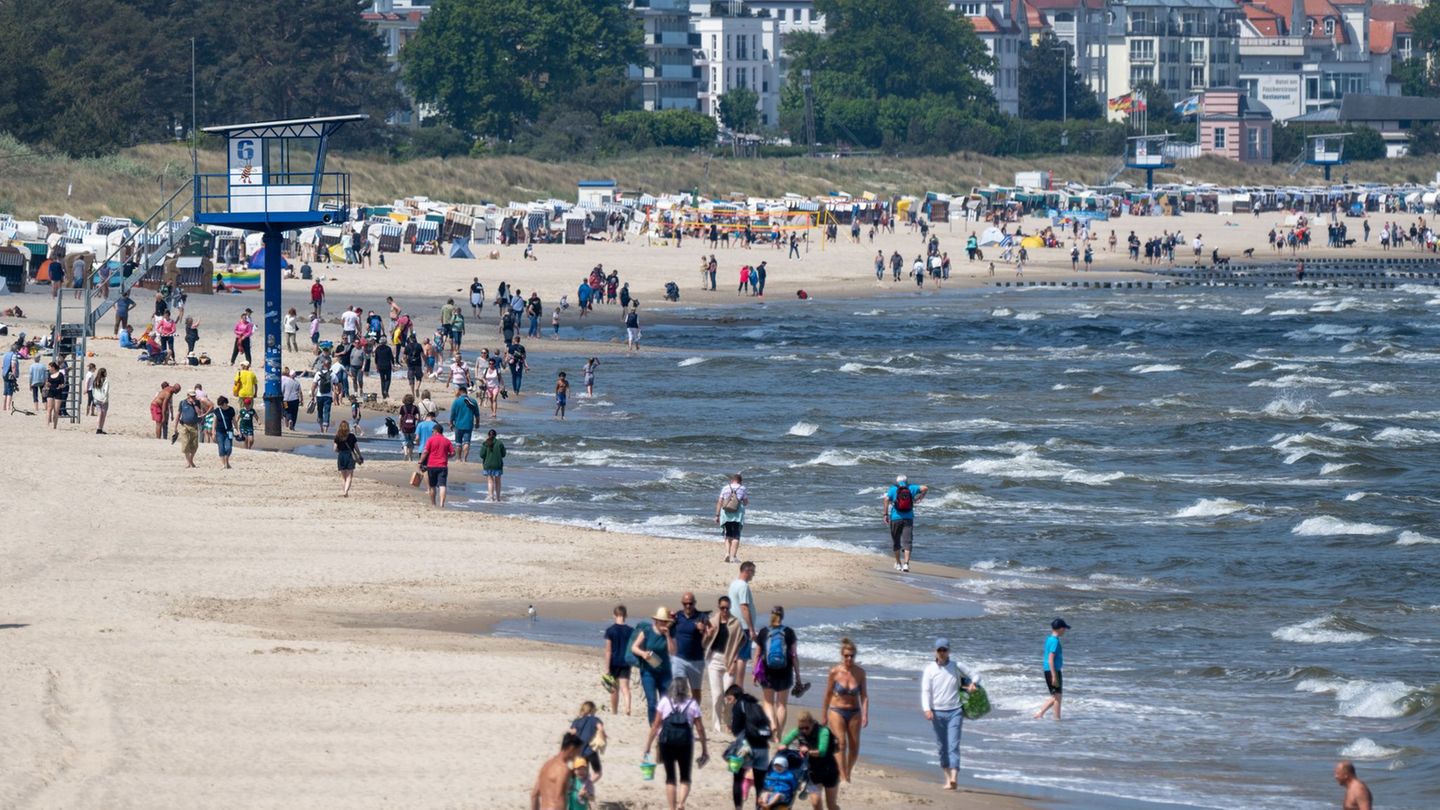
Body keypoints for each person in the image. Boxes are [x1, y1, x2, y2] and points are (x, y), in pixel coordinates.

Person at [921, 637, 977, 790]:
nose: (942, 653)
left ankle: (954, 778)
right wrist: (927, 709)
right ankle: (947, 779)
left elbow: (975, 675)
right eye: (939, 650)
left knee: (953, 745)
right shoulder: (930, 669)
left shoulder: (956, 666)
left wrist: (973, 684)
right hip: (937, 712)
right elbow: (926, 691)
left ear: (949, 651)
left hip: (955, 711)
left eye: (945, 650)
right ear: (935, 651)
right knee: (942, 746)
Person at [642, 680, 707, 810]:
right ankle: (681, 803)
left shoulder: (665, 702)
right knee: (685, 776)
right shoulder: (692, 704)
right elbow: (700, 728)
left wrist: (648, 746)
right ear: (686, 690)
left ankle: (672, 808)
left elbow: (655, 726)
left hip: (666, 742)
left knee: (670, 777)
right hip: (685, 743)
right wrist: (704, 749)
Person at [822, 637, 868, 783]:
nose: (849, 658)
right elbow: (828, 694)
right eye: (846, 655)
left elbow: (864, 696)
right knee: (841, 743)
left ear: (855, 656)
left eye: (851, 656)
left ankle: (847, 772)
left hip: (855, 712)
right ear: (842, 656)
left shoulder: (860, 673)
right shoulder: (834, 672)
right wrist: (824, 714)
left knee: (854, 748)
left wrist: (865, 714)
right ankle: (842, 776)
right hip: (836, 710)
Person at [753, 606, 801, 737]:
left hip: (767, 671)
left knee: (768, 702)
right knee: (782, 704)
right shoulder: (789, 632)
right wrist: (798, 676)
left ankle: (772, 724)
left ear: (771, 615)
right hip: (785, 671)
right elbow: (794, 656)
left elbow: (757, 654)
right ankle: (778, 735)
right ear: (783, 616)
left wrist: (754, 672)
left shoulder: (763, 632)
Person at [726, 685, 773, 810]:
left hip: (745, 747)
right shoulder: (756, 705)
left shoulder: (738, 705)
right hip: (763, 747)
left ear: (734, 695)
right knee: (760, 784)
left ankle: (738, 808)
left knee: (737, 779)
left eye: (728, 698)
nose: (728, 701)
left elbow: (736, 730)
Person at [630, 606, 677, 725]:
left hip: (665, 673)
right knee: (652, 702)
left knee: (666, 702)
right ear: (656, 621)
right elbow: (634, 647)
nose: (663, 623)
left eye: (665, 621)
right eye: (661, 621)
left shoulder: (670, 634)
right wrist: (643, 653)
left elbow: (673, 651)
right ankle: (654, 728)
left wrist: (667, 636)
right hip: (648, 672)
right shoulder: (647, 631)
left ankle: (665, 727)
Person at [702, 595, 742, 735]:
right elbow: (704, 643)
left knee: (728, 695)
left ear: (730, 608)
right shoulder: (712, 621)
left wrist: (735, 663)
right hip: (714, 660)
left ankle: (728, 720)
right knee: (717, 695)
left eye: (727, 608)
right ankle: (717, 726)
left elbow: (739, 644)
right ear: (718, 607)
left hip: (729, 660)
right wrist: (708, 634)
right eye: (722, 608)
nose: (725, 610)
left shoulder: (735, 623)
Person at [784, 711, 839, 809]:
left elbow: (822, 751)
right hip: (813, 773)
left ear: (812, 724)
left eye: (806, 728)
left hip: (830, 771)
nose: (804, 730)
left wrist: (807, 751)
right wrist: (782, 749)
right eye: (801, 728)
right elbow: (783, 743)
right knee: (815, 802)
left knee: (831, 805)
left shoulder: (823, 732)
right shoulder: (797, 731)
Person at [884, 474, 928, 572]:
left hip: (895, 518)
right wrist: (920, 497)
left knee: (896, 541)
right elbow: (925, 488)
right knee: (907, 542)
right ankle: (906, 564)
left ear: (897, 481)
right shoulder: (911, 488)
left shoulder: (893, 489)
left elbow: (886, 499)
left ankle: (898, 563)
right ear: (906, 481)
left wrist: (885, 514)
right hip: (908, 518)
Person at [671, 592, 710, 698]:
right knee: (679, 689)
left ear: (695, 603)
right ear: (682, 603)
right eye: (685, 603)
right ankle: (680, 713)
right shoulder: (677, 616)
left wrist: (703, 629)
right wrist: (669, 619)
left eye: (690, 603)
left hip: (696, 660)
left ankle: (694, 714)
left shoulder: (701, 616)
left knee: (696, 692)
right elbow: (665, 627)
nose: (688, 606)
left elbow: (710, 631)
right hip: (679, 659)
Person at [530, 733, 584, 810]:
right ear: (571, 748)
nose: (578, 755)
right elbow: (559, 798)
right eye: (578, 751)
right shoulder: (563, 769)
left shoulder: (546, 765)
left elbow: (534, 795)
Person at [728, 562, 757, 689]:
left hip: (733, 624)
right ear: (748, 571)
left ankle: (732, 684)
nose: (753, 575)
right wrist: (751, 629)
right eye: (753, 572)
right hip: (742, 626)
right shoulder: (743, 586)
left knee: (735, 655)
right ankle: (739, 686)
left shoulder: (733, 583)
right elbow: (744, 607)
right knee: (742, 657)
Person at [1034, 618, 1070, 720]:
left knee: (1057, 696)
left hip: (1049, 670)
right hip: (1052, 670)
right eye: (1064, 628)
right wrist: (1054, 676)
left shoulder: (1049, 639)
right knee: (1057, 696)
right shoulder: (1054, 641)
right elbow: (1050, 659)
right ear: (1060, 629)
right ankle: (1043, 714)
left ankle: (1055, 717)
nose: (1065, 631)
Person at [602, 605, 633, 716]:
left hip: (614, 662)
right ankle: (628, 707)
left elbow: (608, 651)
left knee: (614, 688)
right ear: (626, 615)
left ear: (614, 615)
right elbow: (632, 648)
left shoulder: (610, 630)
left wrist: (606, 668)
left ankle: (614, 711)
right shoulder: (631, 631)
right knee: (625, 688)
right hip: (626, 662)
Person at [567, 701, 606, 783]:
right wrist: (603, 736)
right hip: (591, 751)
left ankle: (576, 787)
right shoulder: (595, 719)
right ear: (592, 710)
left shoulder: (577, 721)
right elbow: (600, 728)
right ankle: (587, 785)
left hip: (578, 751)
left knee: (578, 772)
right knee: (597, 773)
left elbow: (572, 732)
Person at [716, 473, 749, 563]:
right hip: (737, 515)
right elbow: (745, 502)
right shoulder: (742, 488)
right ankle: (733, 556)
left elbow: (719, 502)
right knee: (736, 536)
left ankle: (727, 553)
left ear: (731, 480)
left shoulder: (725, 488)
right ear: (740, 481)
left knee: (728, 534)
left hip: (725, 514)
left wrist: (717, 515)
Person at [420, 423, 455, 507]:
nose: (431, 433)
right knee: (442, 485)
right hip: (442, 466)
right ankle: (442, 504)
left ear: (436, 431)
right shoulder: (447, 441)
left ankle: (433, 503)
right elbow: (453, 453)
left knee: (432, 486)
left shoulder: (430, 440)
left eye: (432, 431)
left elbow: (425, 452)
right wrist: (447, 456)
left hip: (431, 465)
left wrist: (421, 461)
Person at [174, 388, 207, 467]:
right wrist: (175, 427)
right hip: (185, 425)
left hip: (194, 426)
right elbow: (178, 414)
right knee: (185, 445)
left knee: (194, 445)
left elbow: (199, 413)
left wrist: (195, 405)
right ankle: (189, 463)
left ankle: (191, 461)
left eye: (194, 396)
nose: (193, 398)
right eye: (191, 396)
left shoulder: (197, 402)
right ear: (188, 396)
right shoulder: (182, 403)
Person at [449, 385, 479, 462]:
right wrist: (477, 424)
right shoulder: (473, 401)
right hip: (469, 425)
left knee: (458, 442)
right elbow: (477, 415)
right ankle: (465, 459)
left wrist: (451, 423)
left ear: (460, 391)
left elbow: (452, 414)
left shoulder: (456, 401)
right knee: (467, 442)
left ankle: (458, 458)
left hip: (458, 425)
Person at [479, 429, 506, 502]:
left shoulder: (485, 443)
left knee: (490, 481)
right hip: (497, 464)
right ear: (495, 435)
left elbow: (481, 455)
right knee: (498, 481)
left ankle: (491, 496)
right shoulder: (500, 443)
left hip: (488, 464)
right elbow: (503, 454)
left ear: (488, 435)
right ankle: (498, 498)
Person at [211, 395, 237, 469]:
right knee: (221, 447)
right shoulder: (217, 411)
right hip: (219, 431)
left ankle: (227, 462)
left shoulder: (231, 410)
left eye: (222, 404)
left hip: (229, 431)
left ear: (226, 403)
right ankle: (224, 464)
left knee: (229, 448)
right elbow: (214, 422)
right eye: (220, 405)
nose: (221, 406)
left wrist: (238, 430)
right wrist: (213, 432)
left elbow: (234, 421)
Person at [334, 420, 359, 496]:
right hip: (350, 456)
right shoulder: (352, 436)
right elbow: (356, 448)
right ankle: (346, 491)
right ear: (348, 427)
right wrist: (359, 455)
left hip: (341, 456)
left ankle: (345, 490)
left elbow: (335, 449)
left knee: (344, 477)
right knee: (349, 476)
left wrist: (340, 451)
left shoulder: (337, 436)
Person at [44, 361, 64, 429]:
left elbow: (63, 384)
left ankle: (54, 426)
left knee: (56, 410)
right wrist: (47, 385)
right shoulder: (49, 375)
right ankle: (47, 424)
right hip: (51, 392)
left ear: (53, 367)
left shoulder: (60, 374)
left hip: (58, 392)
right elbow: (47, 383)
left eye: (49, 367)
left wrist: (60, 386)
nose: (48, 369)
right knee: (49, 409)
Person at [90, 368, 110, 433]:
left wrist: (94, 398)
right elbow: (106, 391)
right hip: (103, 400)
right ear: (104, 373)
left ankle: (98, 428)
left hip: (96, 399)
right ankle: (100, 428)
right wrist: (105, 398)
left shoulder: (95, 380)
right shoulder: (106, 380)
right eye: (105, 372)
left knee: (99, 414)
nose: (106, 373)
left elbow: (93, 390)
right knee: (103, 415)